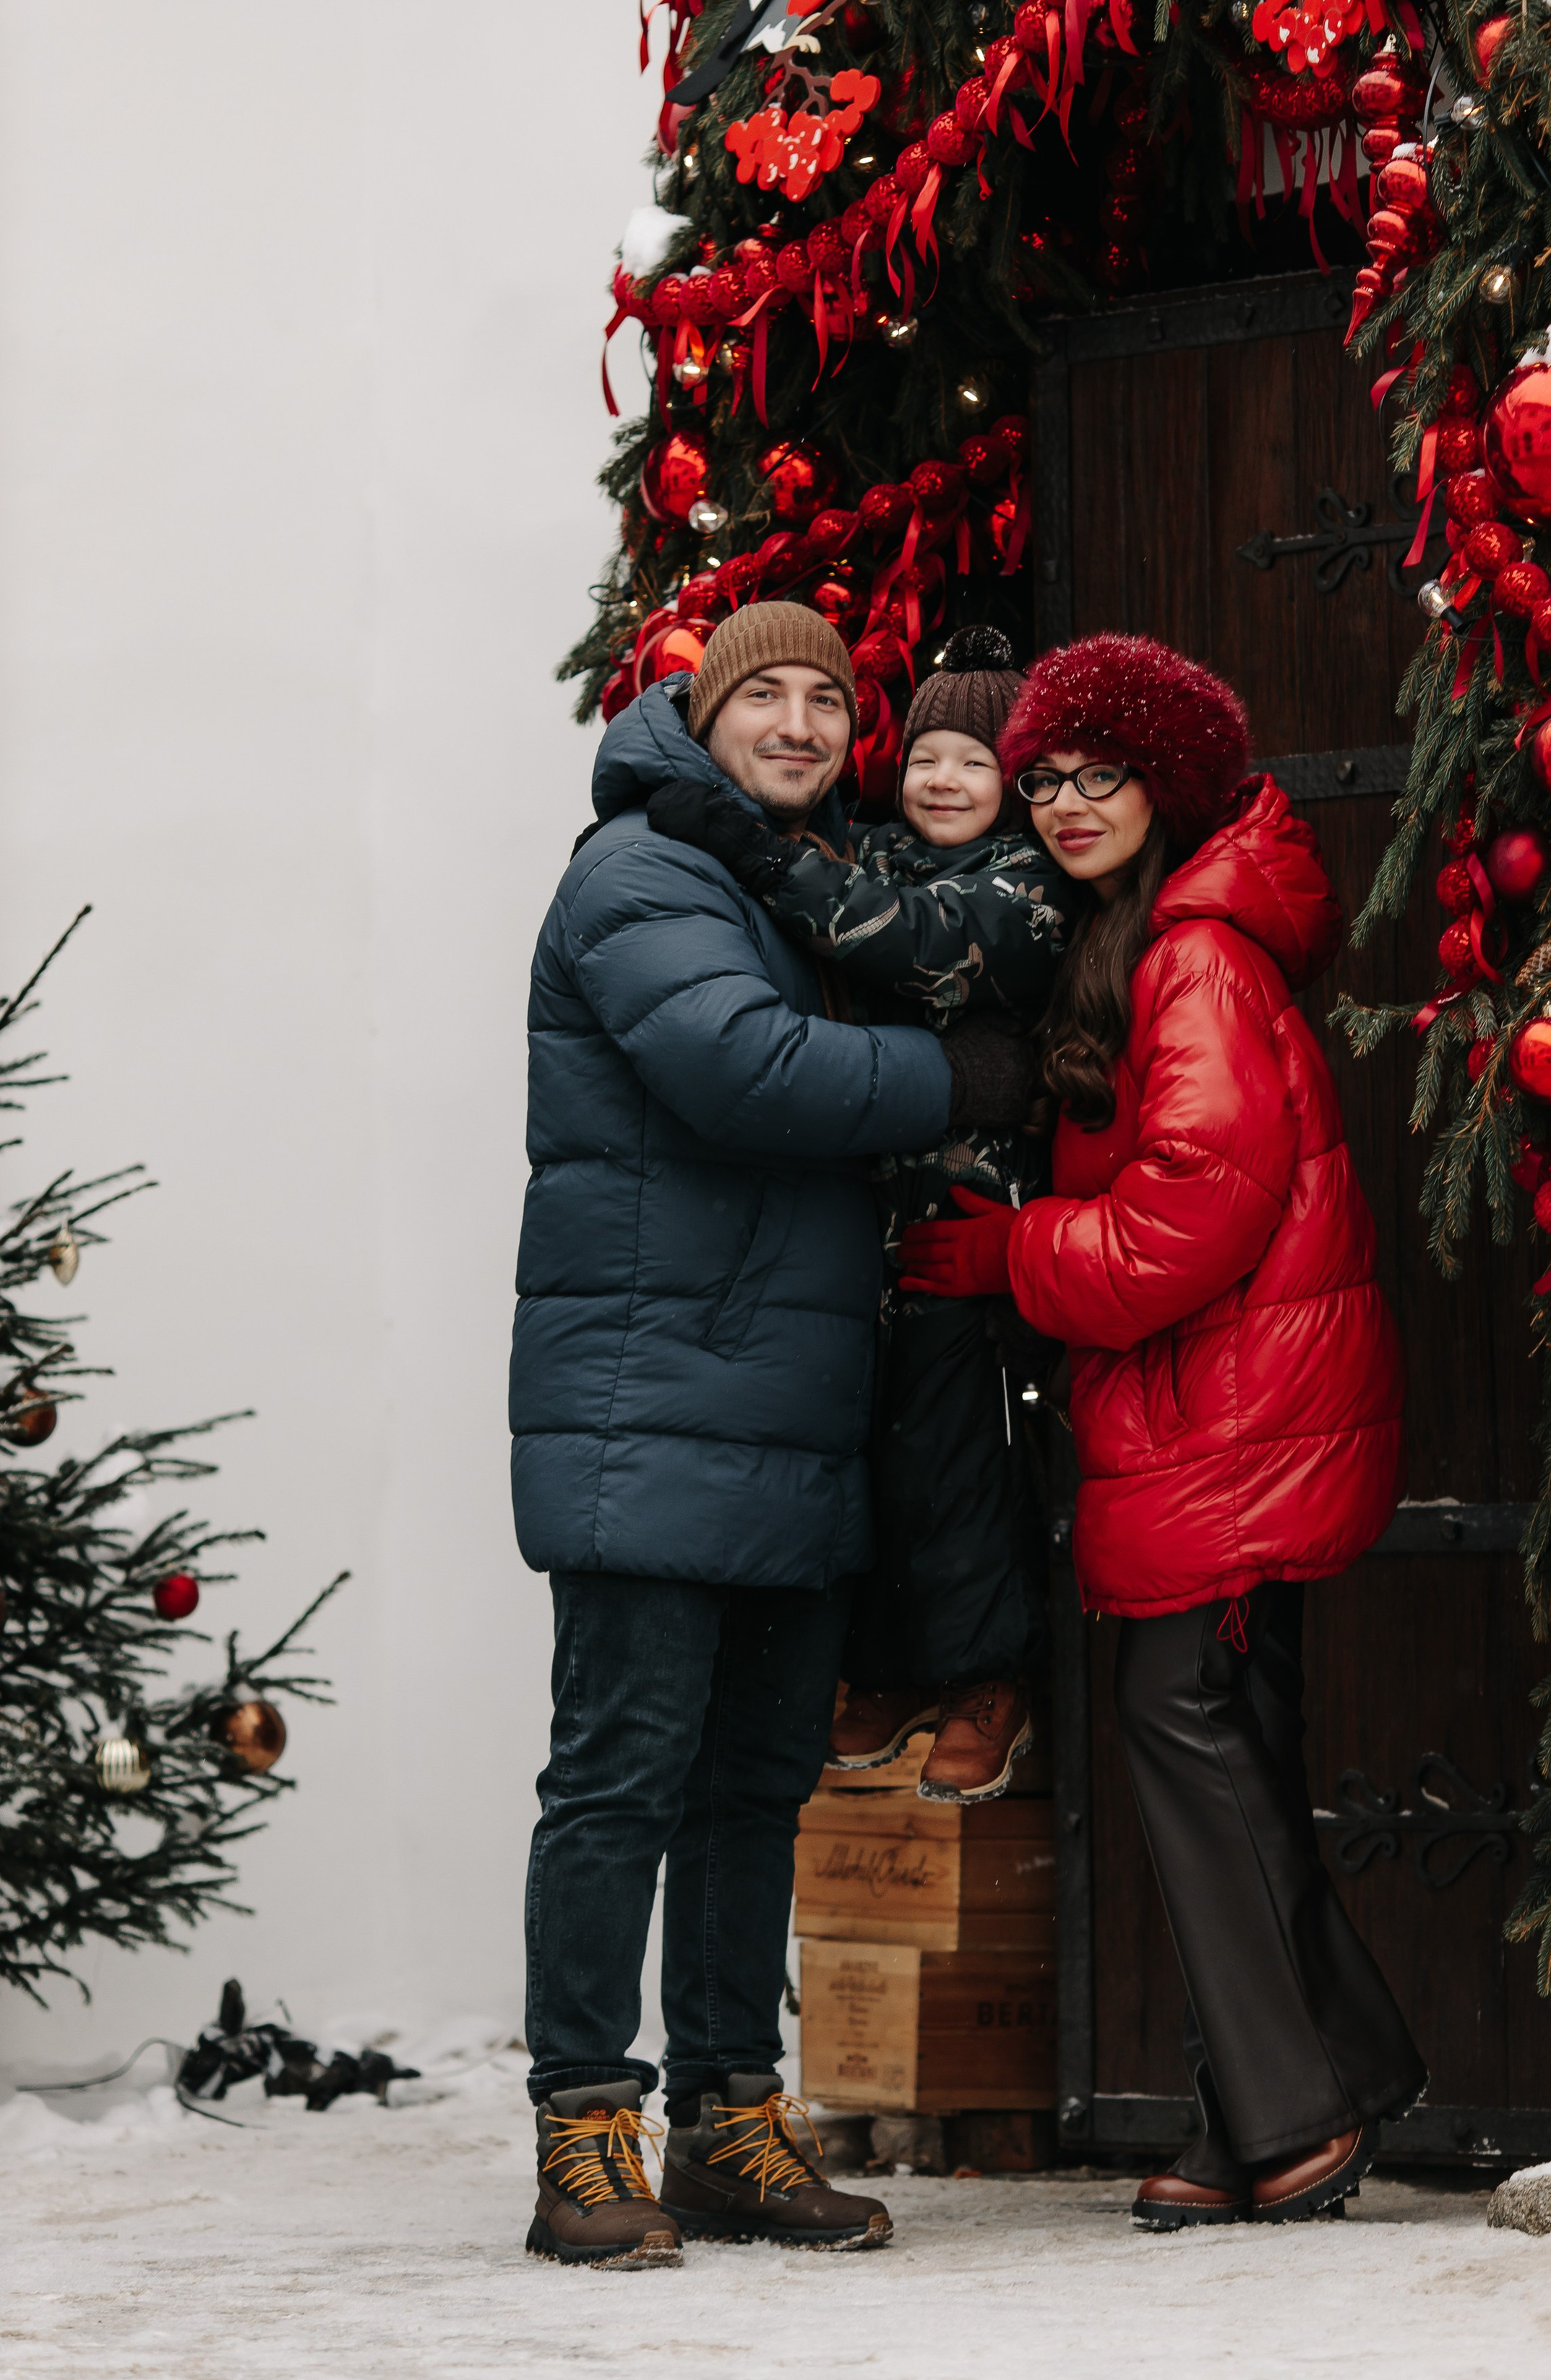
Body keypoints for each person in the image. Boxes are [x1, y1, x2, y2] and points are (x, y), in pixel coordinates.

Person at [511, 600, 1031, 2264]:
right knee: (619, 1783)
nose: (801, 724)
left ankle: (730, 2120)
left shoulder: (801, 881)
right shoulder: (644, 874)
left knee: (750, 1790)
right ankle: (582, 2132)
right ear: (702, 711)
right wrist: (970, 1078)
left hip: (795, 1411)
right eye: (768, 697)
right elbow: (744, 1073)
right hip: (651, 1406)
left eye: (827, 698)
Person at [901, 628, 1425, 2230]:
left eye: (1098, 774)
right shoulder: (1139, 936)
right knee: (1224, 1744)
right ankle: (1277, 2088)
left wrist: (1010, 1254)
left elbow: (1188, 1217)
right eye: (1044, 777)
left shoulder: (1189, 955)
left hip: (1234, 1418)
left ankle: (1297, 2102)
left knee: (1180, 1721)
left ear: (1169, 783)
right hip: (1213, 1420)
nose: (1062, 802)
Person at [646, 627, 1085, 1804]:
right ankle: (891, 1669)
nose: (944, 780)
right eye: (929, 755)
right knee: (873, 1457)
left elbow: (910, 949)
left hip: (961, 1222)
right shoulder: (871, 845)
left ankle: (990, 1672)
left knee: (957, 1453)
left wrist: (750, 847)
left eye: (976, 765)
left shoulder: (1023, 886)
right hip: (856, 1230)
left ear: (1014, 788)